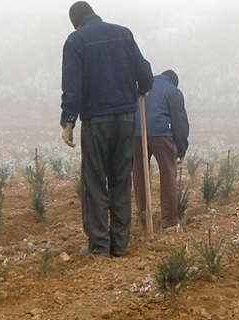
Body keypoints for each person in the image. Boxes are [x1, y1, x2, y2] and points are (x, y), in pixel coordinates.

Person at [60, 1, 154, 257]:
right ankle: (120, 245)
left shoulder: (76, 41)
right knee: (121, 180)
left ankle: (99, 246)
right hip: (125, 119)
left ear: (75, 22)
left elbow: (72, 87)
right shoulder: (124, 33)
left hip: (96, 121)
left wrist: (68, 121)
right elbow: (145, 73)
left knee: (94, 182)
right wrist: (141, 89)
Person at [133, 70, 190, 228]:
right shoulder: (173, 91)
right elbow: (179, 122)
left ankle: (143, 216)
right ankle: (169, 220)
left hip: (136, 133)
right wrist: (181, 149)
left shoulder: (142, 86)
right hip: (161, 133)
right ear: (174, 81)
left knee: (140, 174)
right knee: (167, 173)